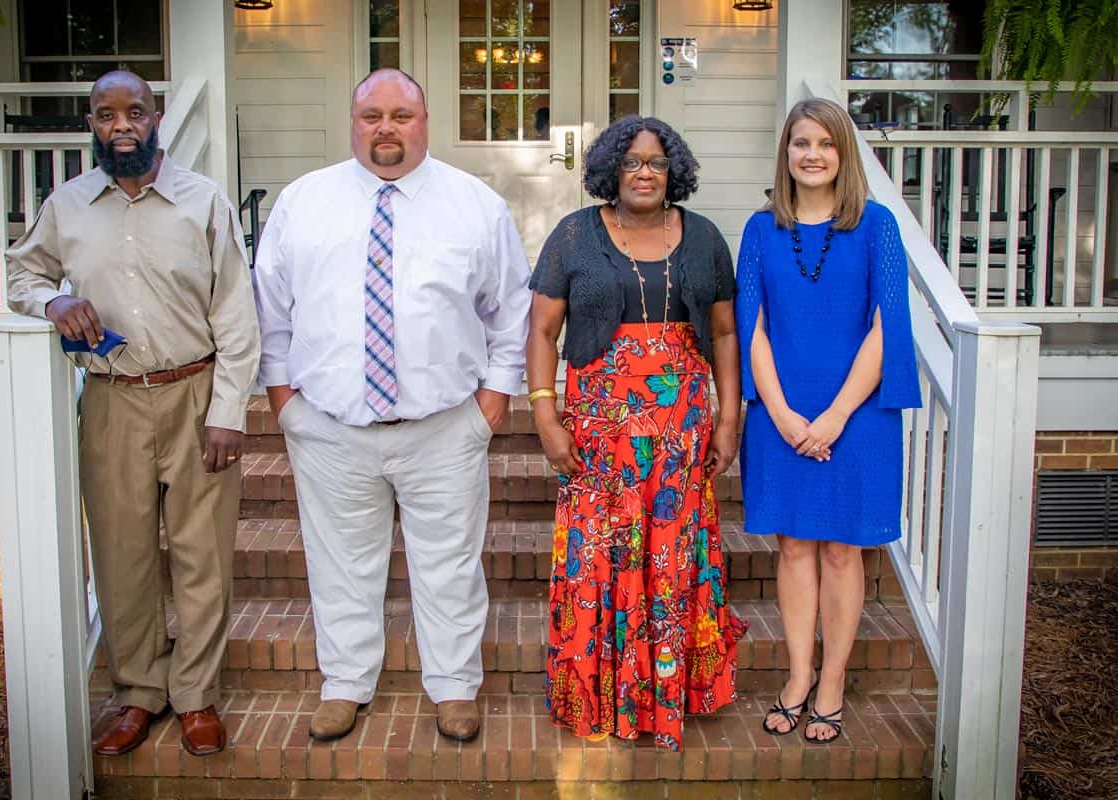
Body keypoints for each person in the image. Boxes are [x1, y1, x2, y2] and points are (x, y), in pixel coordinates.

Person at [252, 68, 531, 743]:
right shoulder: (303, 202)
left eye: (401, 115)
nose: (386, 128)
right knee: (340, 562)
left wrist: (492, 399)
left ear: (424, 121)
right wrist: (285, 401)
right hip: (328, 426)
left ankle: (455, 685)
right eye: (372, 115)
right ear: (353, 122)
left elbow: (511, 308)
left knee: (450, 562)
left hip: (442, 426)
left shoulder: (475, 206)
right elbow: (272, 309)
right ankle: (345, 683)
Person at [6, 71, 260, 757]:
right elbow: (21, 275)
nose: (121, 125)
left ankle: (196, 694)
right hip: (114, 398)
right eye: (106, 114)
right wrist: (51, 303)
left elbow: (236, 313)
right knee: (121, 553)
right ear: (92, 123)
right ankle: (138, 693)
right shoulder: (67, 205)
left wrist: (229, 409)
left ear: (157, 117)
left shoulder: (202, 202)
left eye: (134, 112)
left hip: (195, 394)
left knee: (202, 553)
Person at [527, 115, 746, 750]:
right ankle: (599, 693)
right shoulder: (574, 236)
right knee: (602, 557)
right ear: (610, 172)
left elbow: (725, 333)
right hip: (598, 434)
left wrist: (729, 418)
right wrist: (545, 415)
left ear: (673, 169)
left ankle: (668, 693)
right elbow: (541, 331)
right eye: (631, 162)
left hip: (679, 432)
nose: (644, 173)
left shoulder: (704, 239)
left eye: (655, 161)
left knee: (674, 555)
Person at [734, 98, 921, 744]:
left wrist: (836, 416)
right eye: (799, 143)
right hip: (781, 411)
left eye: (825, 143)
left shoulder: (878, 228)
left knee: (842, 549)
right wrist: (783, 414)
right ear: (784, 154)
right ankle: (796, 675)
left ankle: (833, 682)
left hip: (857, 415)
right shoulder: (760, 232)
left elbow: (885, 327)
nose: (811, 154)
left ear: (844, 153)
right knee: (792, 545)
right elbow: (749, 327)